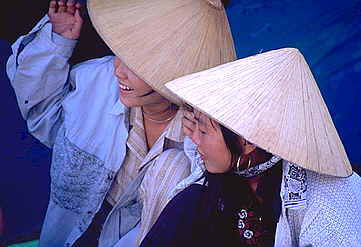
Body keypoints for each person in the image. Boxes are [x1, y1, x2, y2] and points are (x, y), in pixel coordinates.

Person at [6, 0, 236, 246]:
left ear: (176, 73)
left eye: (136, 65)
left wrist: (221, 167)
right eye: (120, 53)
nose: (118, 70)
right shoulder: (98, 80)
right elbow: (44, 117)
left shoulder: (203, 138)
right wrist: (58, 43)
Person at [139, 48, 361, 246]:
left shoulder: (326, 207)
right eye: (193, 125)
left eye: (203, 131)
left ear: (247, 142)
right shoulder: (238, 172)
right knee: (191, 200)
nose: (194, 139)